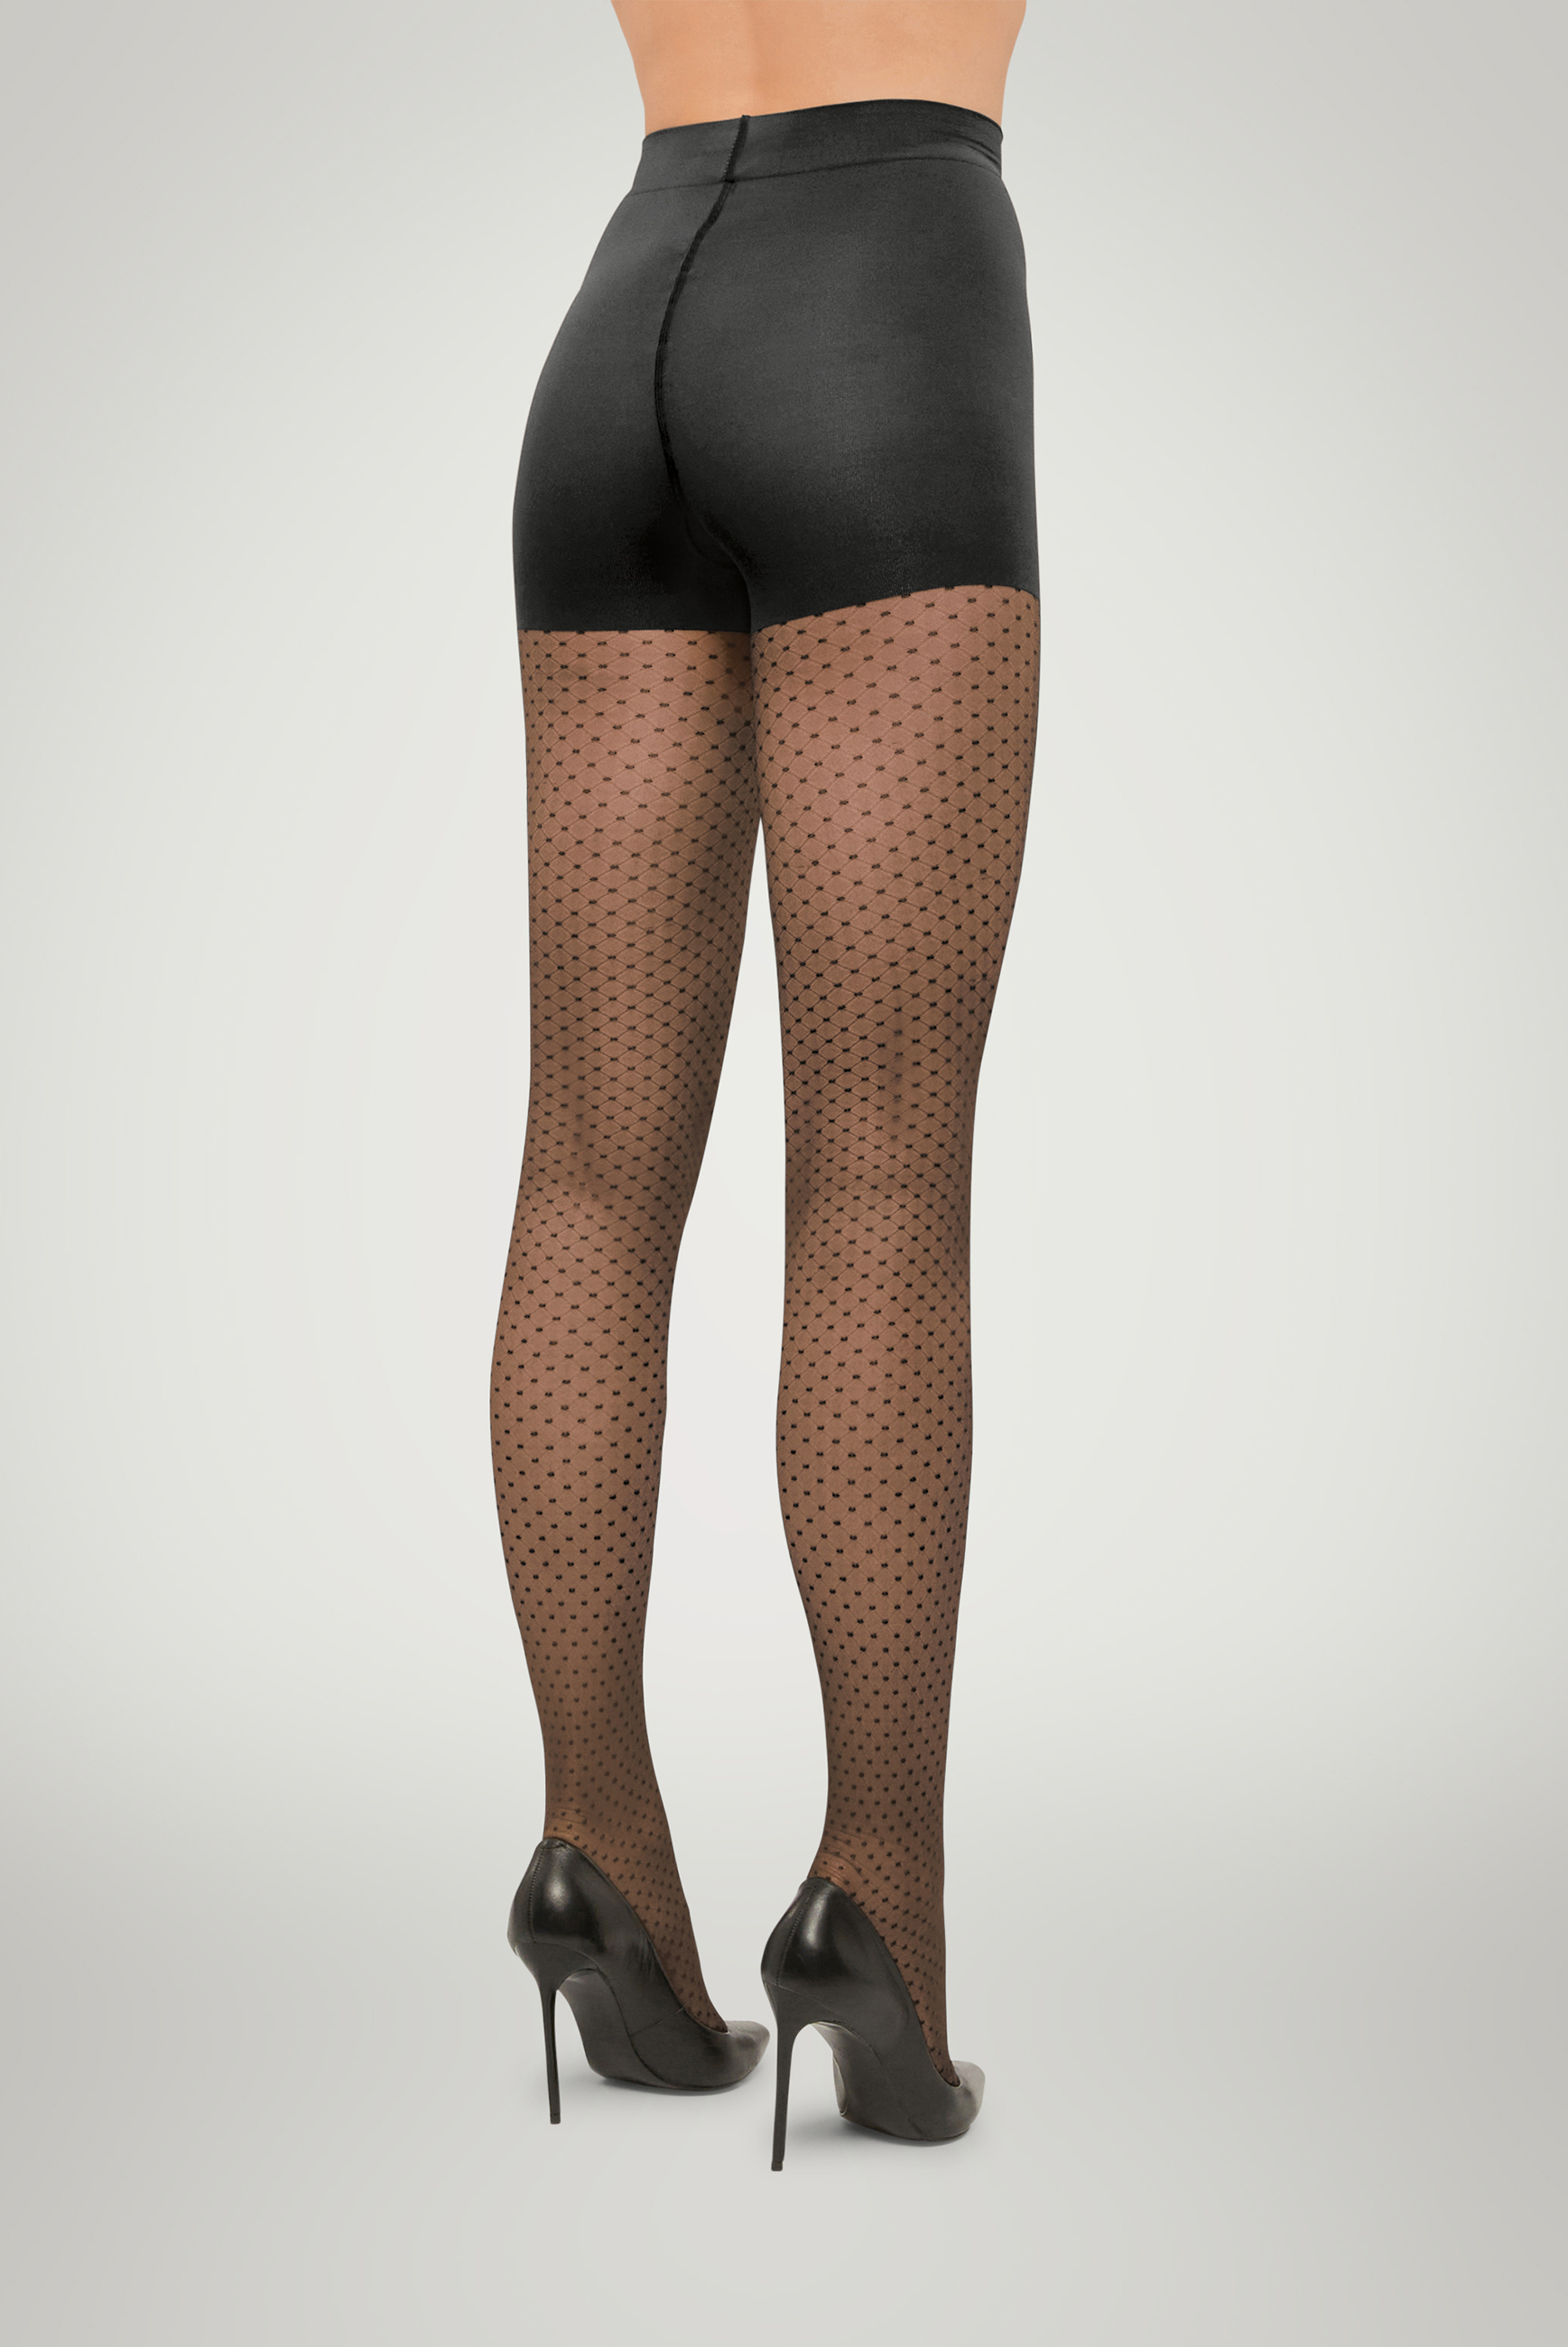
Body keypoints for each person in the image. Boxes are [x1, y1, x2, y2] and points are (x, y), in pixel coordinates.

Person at [494, 0, 1038, 2168]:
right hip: (885, 306)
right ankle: (877, 1906)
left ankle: (593, 1852)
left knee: (584, 1167)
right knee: (883, 1168)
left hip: (620, 316)